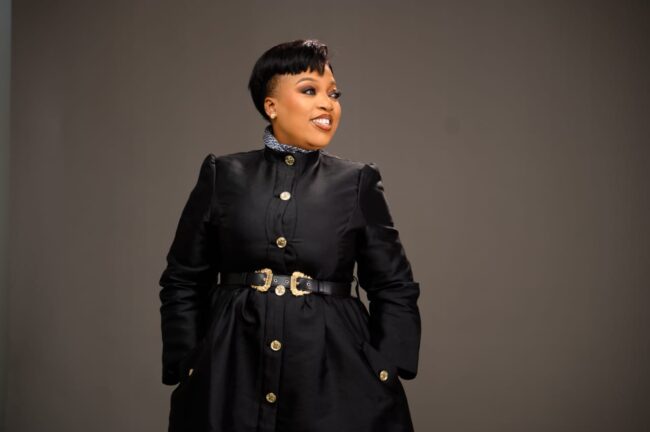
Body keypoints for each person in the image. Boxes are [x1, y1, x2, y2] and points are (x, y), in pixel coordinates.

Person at [158, 39, 421, 432]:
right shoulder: (223, 175)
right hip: (230, 373)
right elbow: (183, 279)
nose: (327, 104)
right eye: (309, 91)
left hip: (335, 374)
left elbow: (393, 284)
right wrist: (189, 363)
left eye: (334, 94)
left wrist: (386, 367)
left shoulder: (357, 182)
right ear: (271, 105)